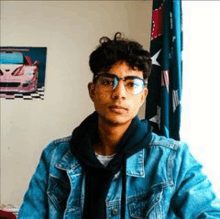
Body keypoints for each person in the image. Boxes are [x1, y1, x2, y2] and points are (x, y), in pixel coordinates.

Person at [18, 32, 220, 219]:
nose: (119, 93)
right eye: (108, 82)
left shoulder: (173, 159)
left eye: (132, 84)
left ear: (143, 96)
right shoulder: (55, 155)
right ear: (92, 90)